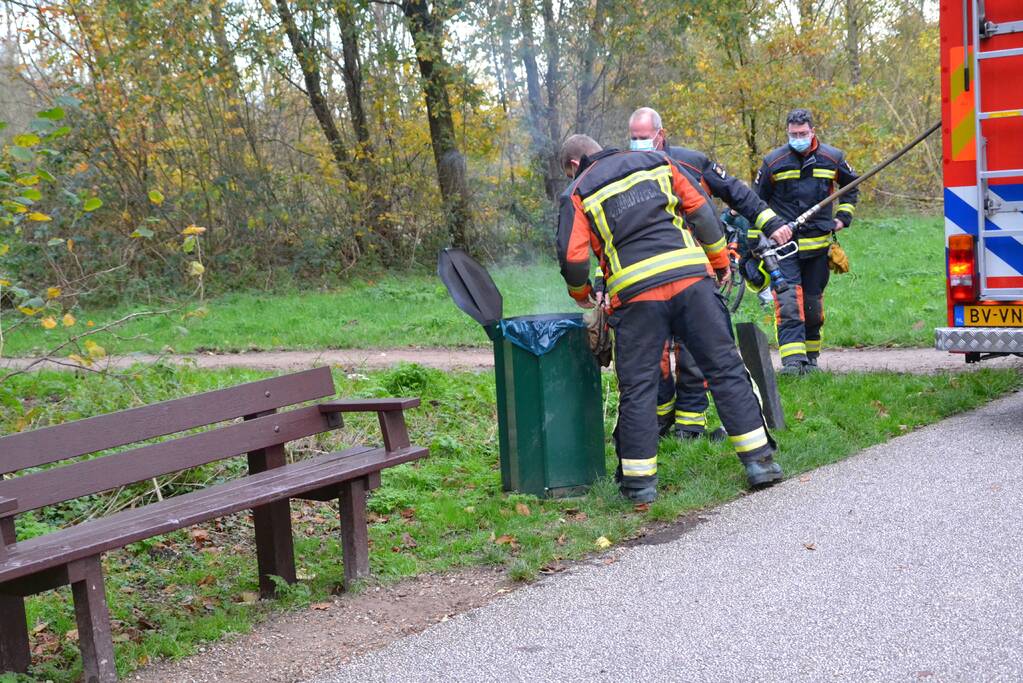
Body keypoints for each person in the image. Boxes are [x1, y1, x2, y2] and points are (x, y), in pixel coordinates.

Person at [555, 133, 783, 502]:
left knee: (639, 388)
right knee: (724, 368)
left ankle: (639, 485)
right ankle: (759, 462)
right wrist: (720, 261)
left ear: (572, 165)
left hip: (637, 299)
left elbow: (573, 258)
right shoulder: (658, 162)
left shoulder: (577, 192)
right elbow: (702, 212)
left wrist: (582, 296)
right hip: (693, 284)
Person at [627, 107, 791, 438]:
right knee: (653, 352)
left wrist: (770, 223)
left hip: (694, 270)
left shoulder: (691, 163)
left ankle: (690, 426)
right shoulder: (623, 169)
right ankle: (659, 421)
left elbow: (738, 194)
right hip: (647, 275)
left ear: (660, 134)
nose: (636, 144)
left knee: (693, 347)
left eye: (642, 138)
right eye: (632, 138)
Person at [754, 108, 859, 375]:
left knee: (812, 309)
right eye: (792, 134)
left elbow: (852, 187)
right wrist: (758, 242)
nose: (797, 138)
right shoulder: (773, 162)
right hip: (784, 248)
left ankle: (810, 361)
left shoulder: (832, 158)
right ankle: (792, 363)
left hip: (818, 249)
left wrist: (843, 218)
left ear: (812, 131)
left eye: (802, 133)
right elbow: (757, 202)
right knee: (789, 303)